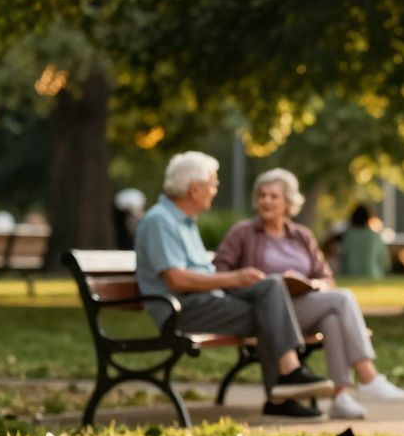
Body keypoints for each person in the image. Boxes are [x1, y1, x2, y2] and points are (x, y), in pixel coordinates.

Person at [133, 152, 334, 418]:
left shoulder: (183, 222)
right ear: (195, 189)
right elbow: (176, 279)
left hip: (206, 301)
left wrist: (235, 281)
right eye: (213, 184)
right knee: (269, 311)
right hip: (181, 309)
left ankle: (287, 378)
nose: (215, 191)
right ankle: (286, 381)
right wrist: (234, 278)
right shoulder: (161, 221)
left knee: (271, 287)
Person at [214, 168, 404, 420]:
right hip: (267, 311)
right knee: (343, 298)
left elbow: (327, 277)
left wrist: (313, 285)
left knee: (333, 318)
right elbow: (220, 271)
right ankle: (367, 375)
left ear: (288, 202)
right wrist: (248, 280)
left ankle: (341, 396)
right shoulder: (243, 232)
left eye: (273, 196)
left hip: (305, 303)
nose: (266, 201)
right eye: (262, 195)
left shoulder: (301, 236)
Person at [338, 205, 388, 278]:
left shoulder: (348, 235)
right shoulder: (374, 236)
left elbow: (343, 256)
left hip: (351, 275)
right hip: (372, 275)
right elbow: (383, 258)